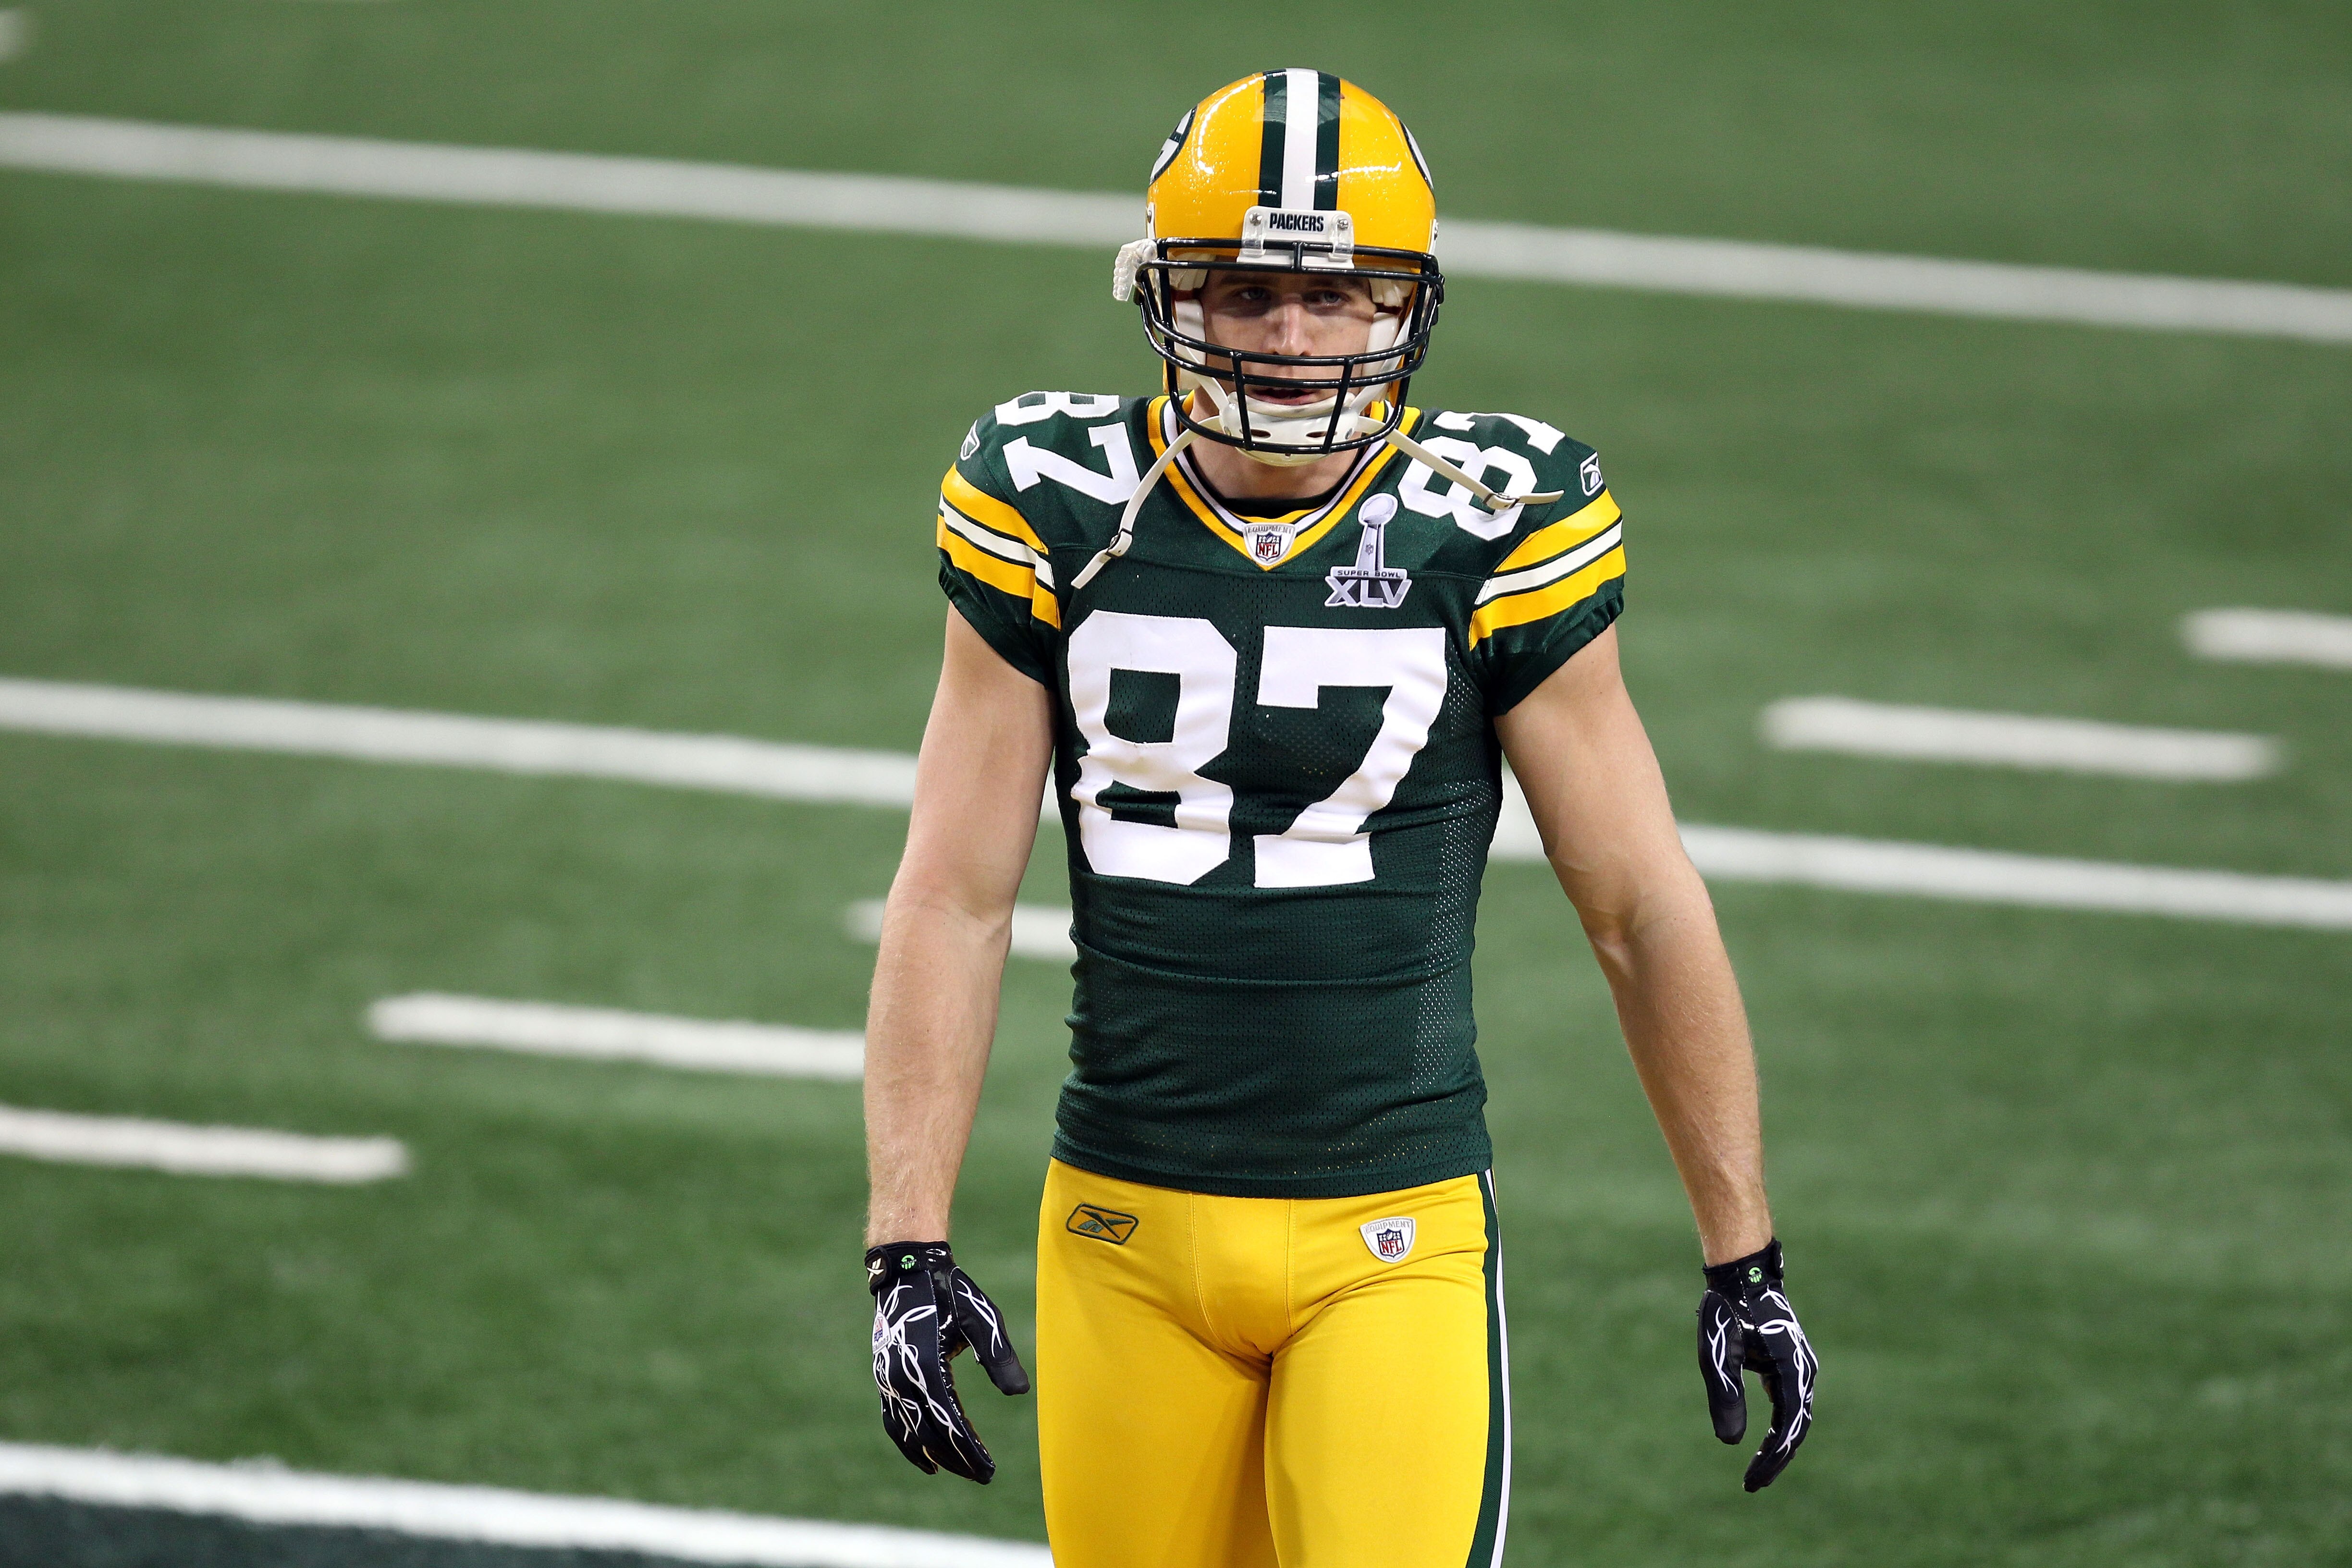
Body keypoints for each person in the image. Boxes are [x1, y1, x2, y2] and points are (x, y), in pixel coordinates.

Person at [861, 69, 1816, 1568]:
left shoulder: (1497, 515)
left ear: (1407, 304)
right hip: (1119, 1231)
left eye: (1339, 290)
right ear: (1162, 292)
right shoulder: (1052, 496)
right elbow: (953, 894)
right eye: (1244, 291)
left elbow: (1637, 904)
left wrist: (1743, 1251)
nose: (1295, 337)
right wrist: (905, 1244)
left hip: (1394, 1235)